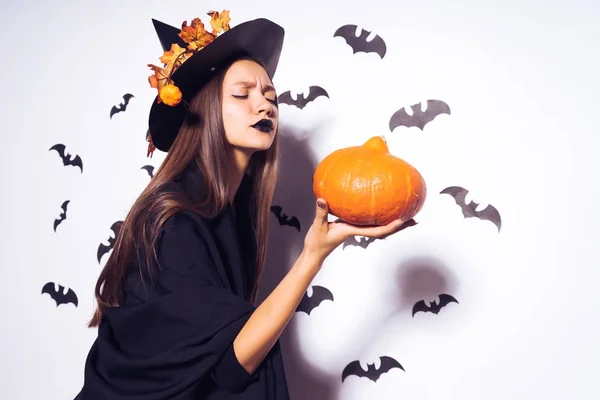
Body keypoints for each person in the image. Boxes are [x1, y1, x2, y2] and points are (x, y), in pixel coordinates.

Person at [75, 11, 405, 400]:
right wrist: (312, 256)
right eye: (241, 94)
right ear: (205, 109)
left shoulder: (230, 215)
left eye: (270, 97)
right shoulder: (175, 221)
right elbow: (233, 369)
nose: (264, 107)